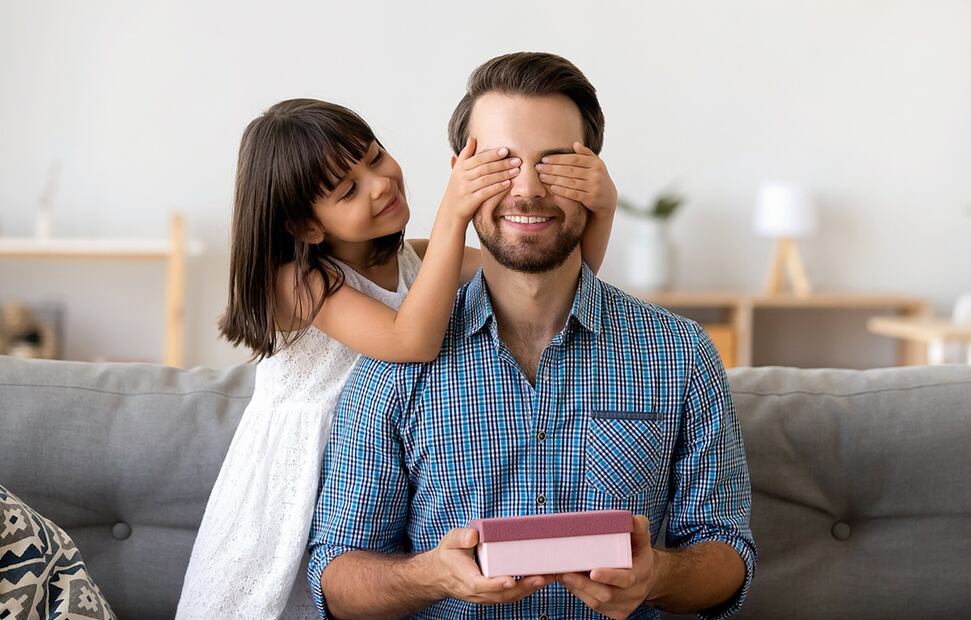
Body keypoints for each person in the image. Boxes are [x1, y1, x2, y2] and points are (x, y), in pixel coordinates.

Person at [308, 52, 756, 620]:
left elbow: (728, 554)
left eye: (554, 165)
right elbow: (337, 579)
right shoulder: (394, 361)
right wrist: (430, 576)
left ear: (592, 175)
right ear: (460, 179)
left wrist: (658, 574)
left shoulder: (681, 353)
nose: (526, 189)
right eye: (500, 163)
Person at [175, 98, 615, 618]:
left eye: (375, 157)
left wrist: (602, 205)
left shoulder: (418, 260)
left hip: (373, 463)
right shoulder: (296, 281)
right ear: (308, 227)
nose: (380, 183)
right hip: (298, 480)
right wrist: (454, 214)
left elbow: (548, 277)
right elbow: (411, 342)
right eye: (348, 189)